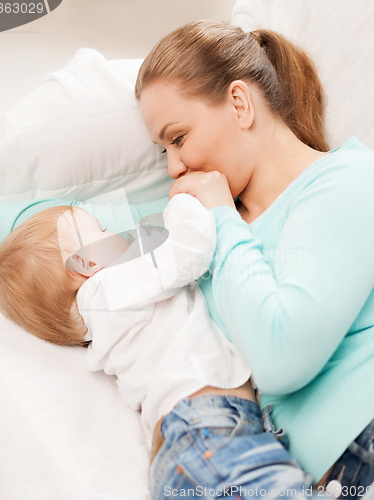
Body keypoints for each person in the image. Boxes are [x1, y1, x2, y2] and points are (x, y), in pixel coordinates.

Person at [134, 20, 374, 499]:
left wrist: (223, 218)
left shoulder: (348, 179)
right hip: (318, 480)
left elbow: (282, 357)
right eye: (162, 150)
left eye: (177, 138)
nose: (172, 168)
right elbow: (67, 231)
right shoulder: (197, 228)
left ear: (240, 103)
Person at [0, 193, 326, 500]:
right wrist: (183, 201)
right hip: (206, 429)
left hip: (192, 444)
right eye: (102, 230)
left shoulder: (101, 318)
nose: (120, 235)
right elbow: (189, 250)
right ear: (86, 263)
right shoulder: (109, 289)